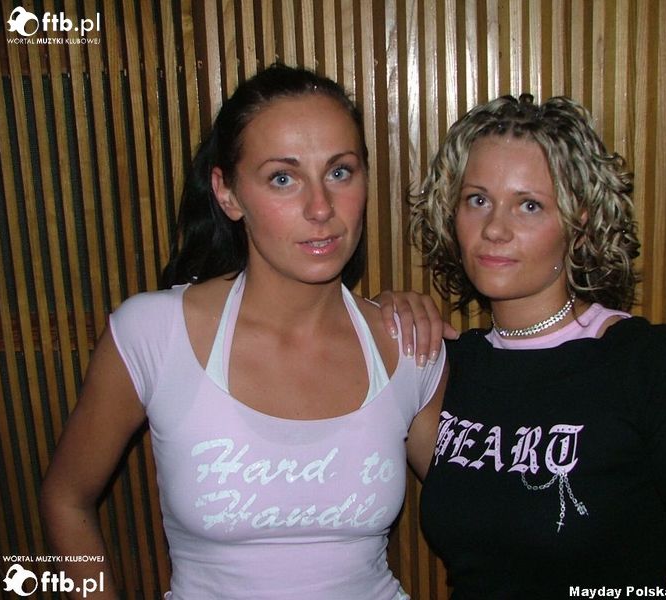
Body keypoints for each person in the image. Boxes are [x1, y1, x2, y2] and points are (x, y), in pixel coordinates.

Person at [40, 64, 446, 600]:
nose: (320, 207)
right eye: (282, 178)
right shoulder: (152, 335)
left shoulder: (408, 343)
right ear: (228, 193)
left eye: (340, 172)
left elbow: (480, 509)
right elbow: (65, 498)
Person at [395, 94, 666, 598]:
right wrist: (386, 313)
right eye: (477, 200)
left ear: (578, 222)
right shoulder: (445, 367)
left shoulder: (652, 367)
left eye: (529, 205)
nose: (494, 229)